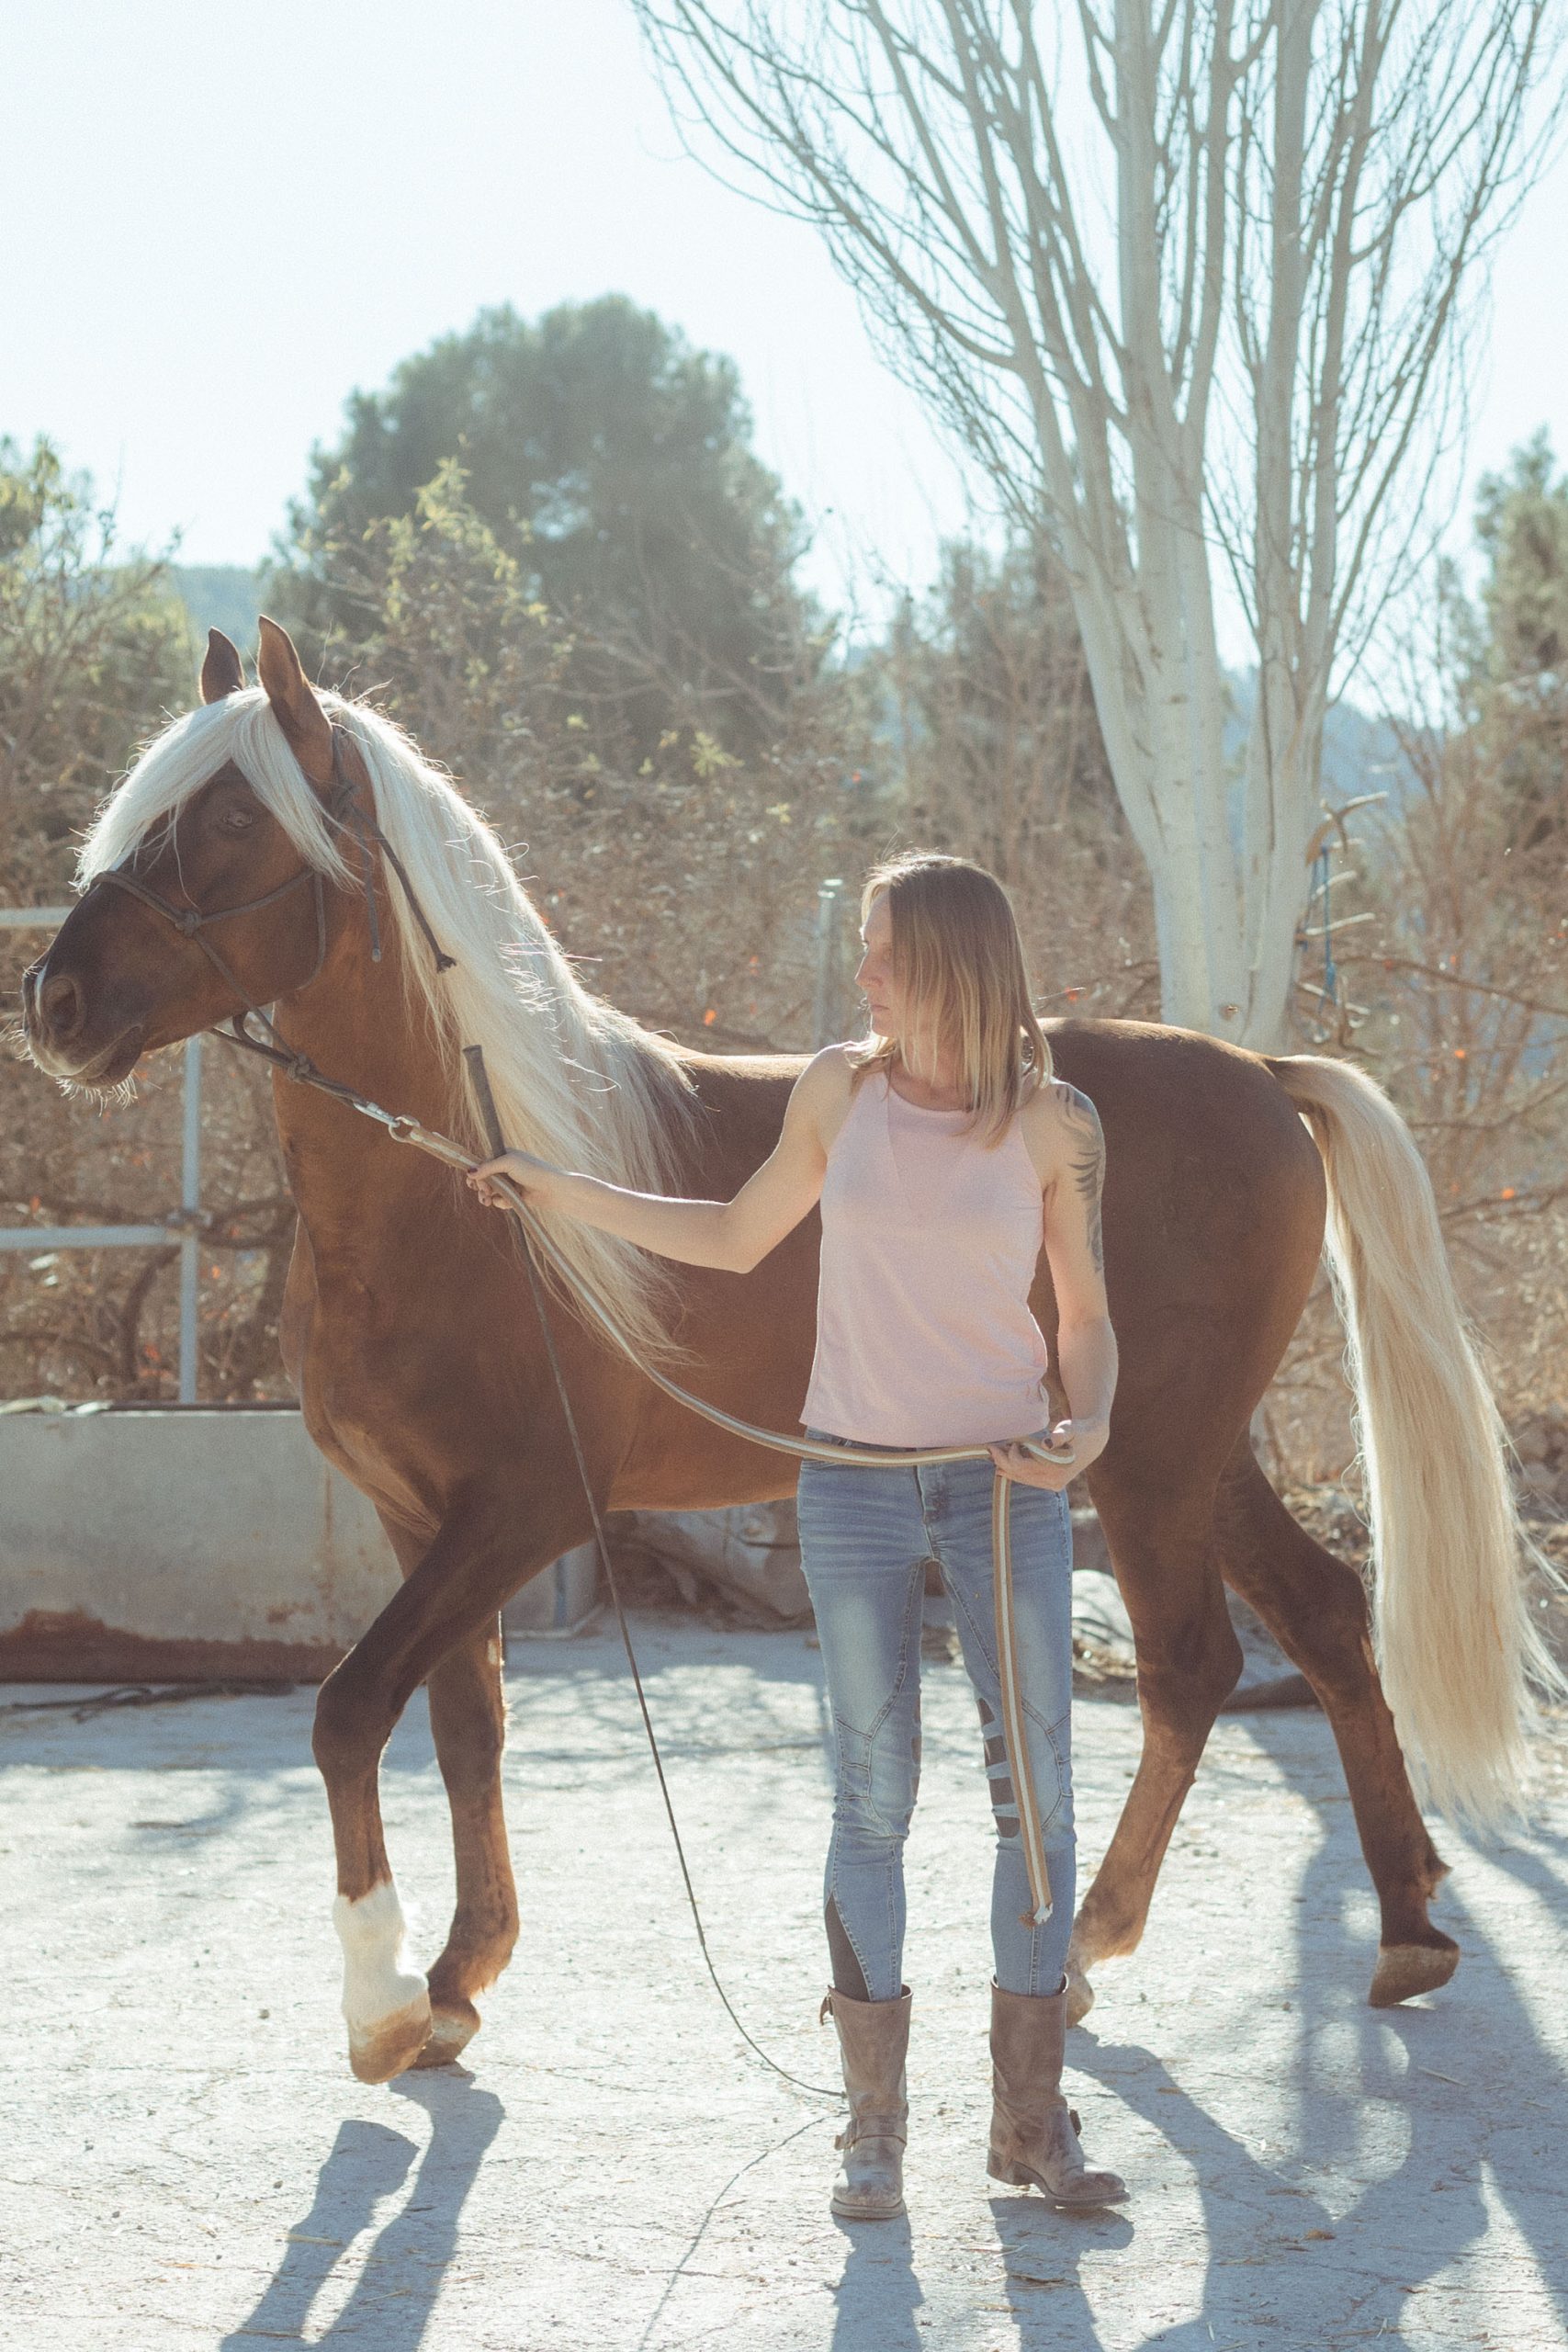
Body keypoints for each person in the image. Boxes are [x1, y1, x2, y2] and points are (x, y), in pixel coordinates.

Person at [468, 850, 1124, 2220]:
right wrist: (556, 1190)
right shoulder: (840, 1091)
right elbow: (730, 1233)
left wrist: (1095, 1425)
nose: (863, 971)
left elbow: (1085, 1314)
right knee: (872, 1803)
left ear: (944, 960)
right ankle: (873, 2131)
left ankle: (1027, 2122)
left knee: (1041, 1806)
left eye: (882, 947)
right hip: (854, 1489)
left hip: (1008, 1490)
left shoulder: (1058, 1124)